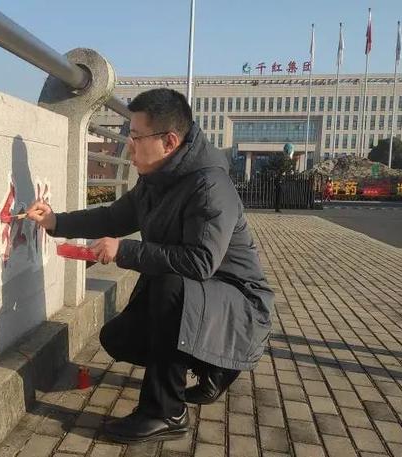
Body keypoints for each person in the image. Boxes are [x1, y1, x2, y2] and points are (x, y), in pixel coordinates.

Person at [26, 88, 274, 444]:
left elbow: (200, 262)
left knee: (171, 285)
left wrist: (124, 251)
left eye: (137, 136)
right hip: (202, 302)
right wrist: (55, 222)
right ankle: (213, 364)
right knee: (119, 339)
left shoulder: (209, 186)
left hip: (239, 309)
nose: (129, 145)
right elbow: (113, 216)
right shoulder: (156, 180)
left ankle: (166, 412)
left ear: (169, 141)